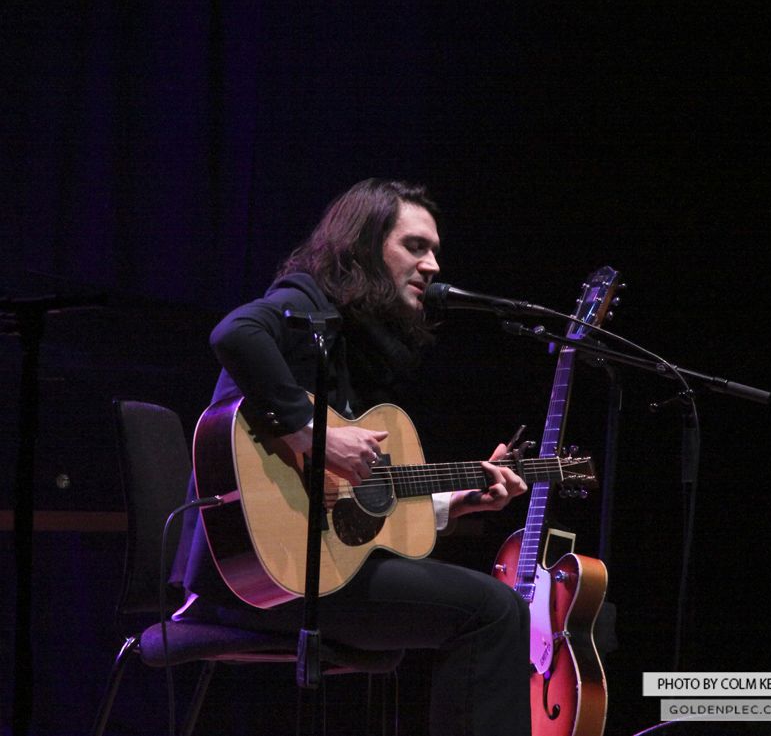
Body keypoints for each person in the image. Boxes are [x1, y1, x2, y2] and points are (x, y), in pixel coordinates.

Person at [171, 178, 532, 735]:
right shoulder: (307, 303)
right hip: (248, 578)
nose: (432, 265)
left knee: (492, 606)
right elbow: (234, 332)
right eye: (415, 246)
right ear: (364, 245)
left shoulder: (360, 341)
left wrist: (451, 504)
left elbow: (346, 502)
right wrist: (312, 433)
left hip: (305, 570)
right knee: (494, 610)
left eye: (435, 250)